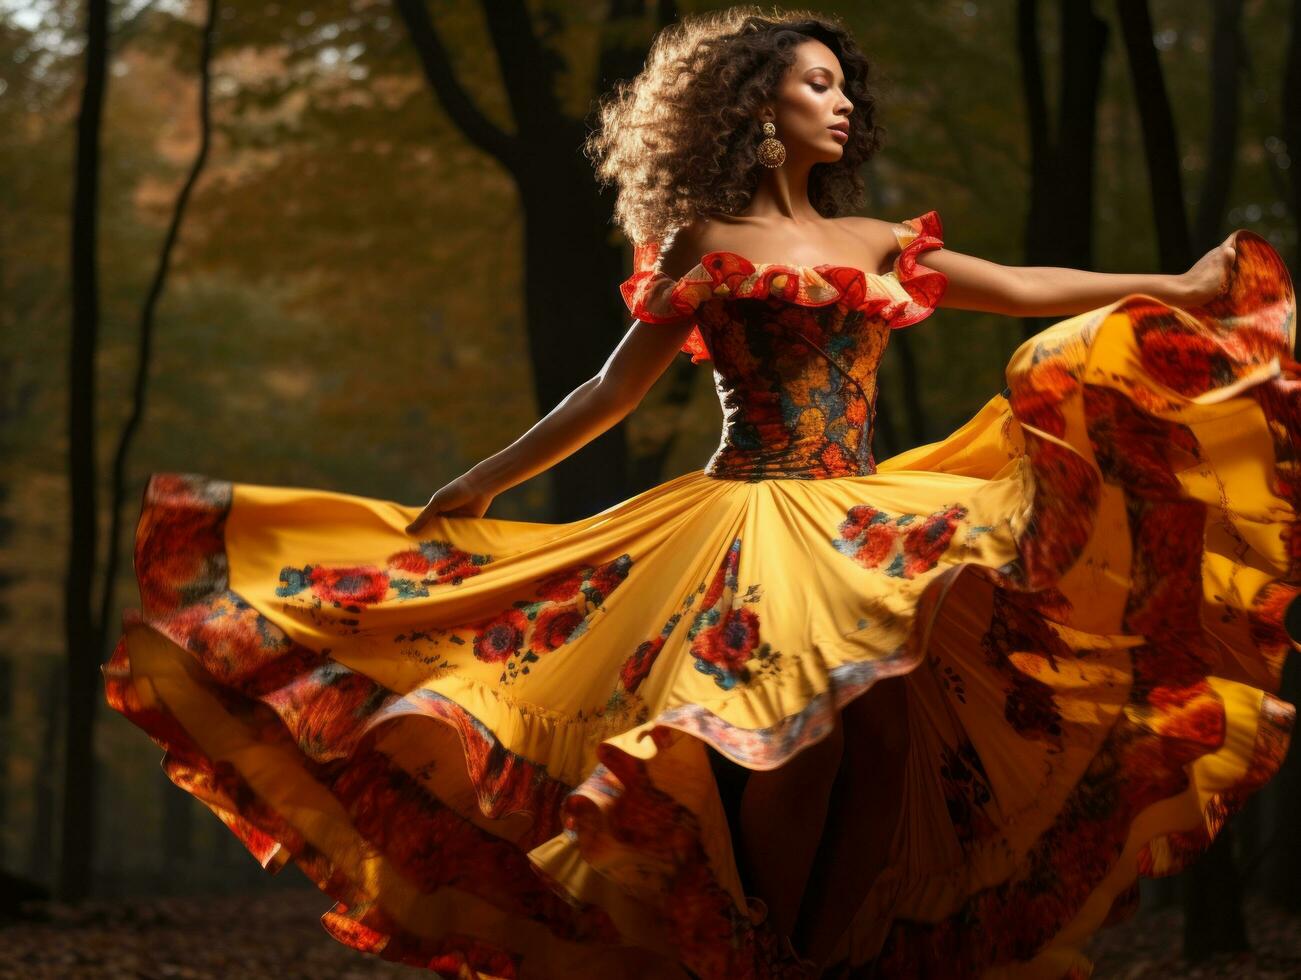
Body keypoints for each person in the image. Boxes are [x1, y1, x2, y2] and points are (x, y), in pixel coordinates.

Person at [103, 6, 1298, 979]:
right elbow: (608, 391)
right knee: (796, 752)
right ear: (753, 106)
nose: (840, 102)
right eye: (815, 83)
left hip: (865, 521)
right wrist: (476, 478)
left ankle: (834, 957)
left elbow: (1027, 286)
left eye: (843, 86)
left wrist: (1177, 287)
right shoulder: (698, 238)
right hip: (745, 525)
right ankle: (754, 959)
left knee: (887, 744)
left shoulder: (881, 242)